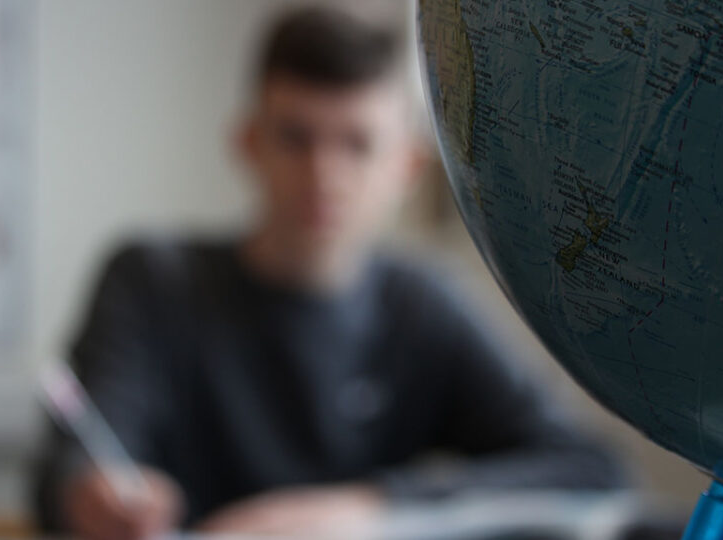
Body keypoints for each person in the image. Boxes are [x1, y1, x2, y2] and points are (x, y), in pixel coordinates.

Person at [32, 6, 626, 538]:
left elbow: (586, 467)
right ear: (247, 142)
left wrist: (372, 506)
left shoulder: (424, 303)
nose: (324, 174)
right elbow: (71, 469)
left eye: (358, 144)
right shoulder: (151, 281)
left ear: (407, 166)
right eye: (296, 138)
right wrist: (89, 493)